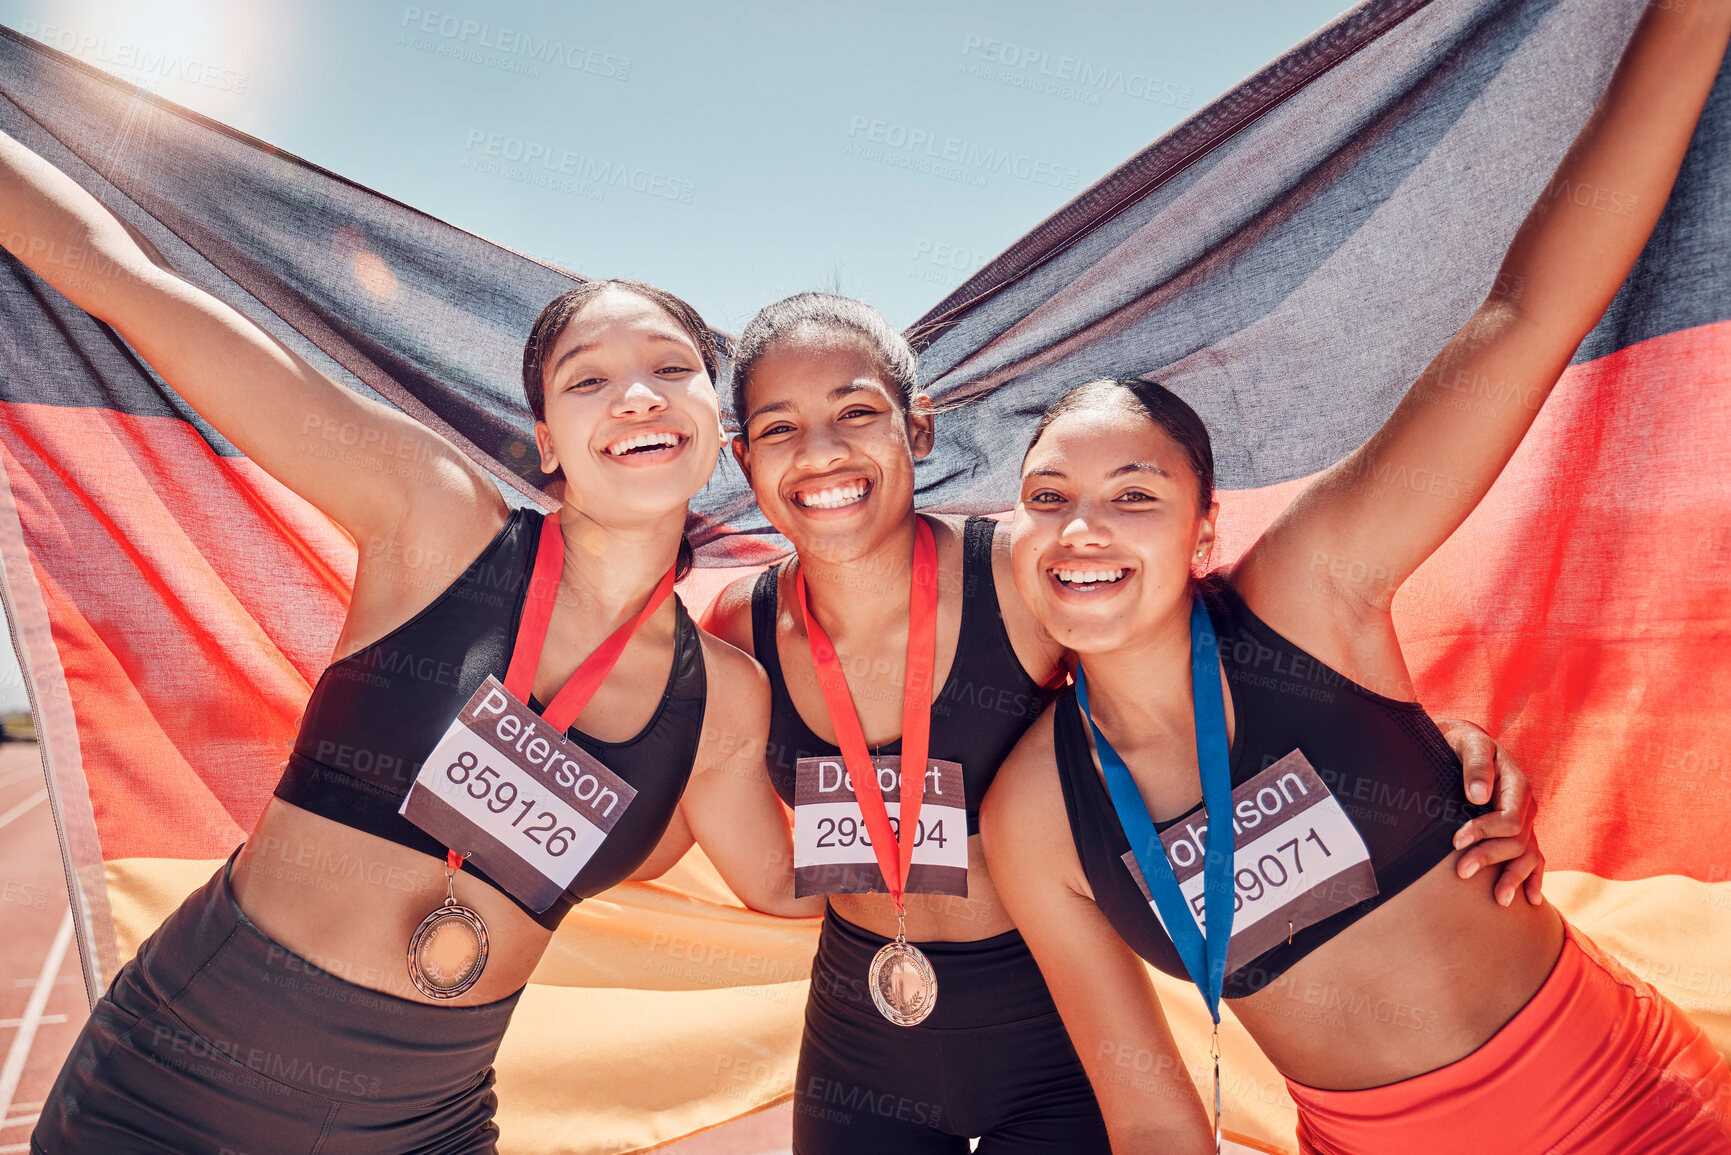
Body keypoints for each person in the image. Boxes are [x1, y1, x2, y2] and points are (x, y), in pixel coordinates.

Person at [983, 5, 1731, 1152]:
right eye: (1047, 499)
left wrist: (1691, 20)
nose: (1083, 528)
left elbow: (1527, 318)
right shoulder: (1034, 817)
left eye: (1134, 494)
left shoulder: (1308, 595)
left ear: (1201, 532)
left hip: (1638, 1111)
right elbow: (1148, 1115)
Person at [0, 129, 820, 1154]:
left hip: (422, 1126)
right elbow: (121, 281)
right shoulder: (437, 525)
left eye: (672, 367)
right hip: (181, 1089)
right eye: (588, 381)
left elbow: (791, 885)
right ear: (547, 444)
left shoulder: (723, 704)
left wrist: (997, 839)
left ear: (718, 422)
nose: (639, 395)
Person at [701, 292, 1542, 1154]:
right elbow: (704, 807)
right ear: (741, 455)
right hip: (859, 1018)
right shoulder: (737, 632)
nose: (822, 449)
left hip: (1052, 1019)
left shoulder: (1025, 576)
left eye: (855, 411)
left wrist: (1427, 757)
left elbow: (1206, 648)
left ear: (915, 430)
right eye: (777, 428)